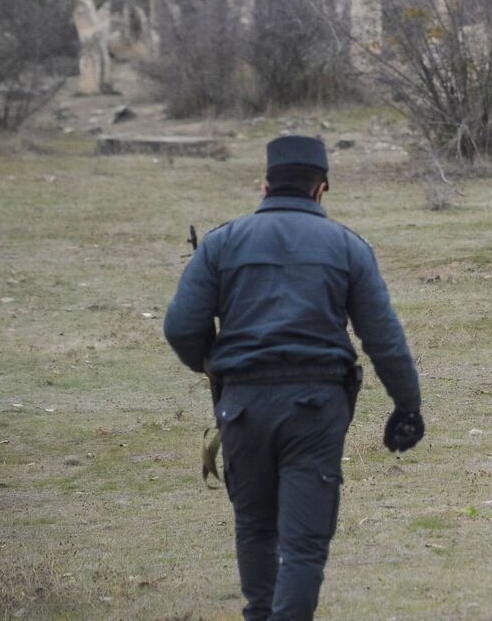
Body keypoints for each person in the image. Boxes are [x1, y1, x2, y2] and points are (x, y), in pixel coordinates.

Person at [164, 135, 423, 620]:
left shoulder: (220, 243)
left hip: (242, 406)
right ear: (321, 188)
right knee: (304, 545)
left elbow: (180, 327)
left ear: (264, 185)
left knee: (255, 527)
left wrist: (215, 366)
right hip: (315, 409)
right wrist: (407, 404)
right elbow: (384, 340)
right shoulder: (348, 247)